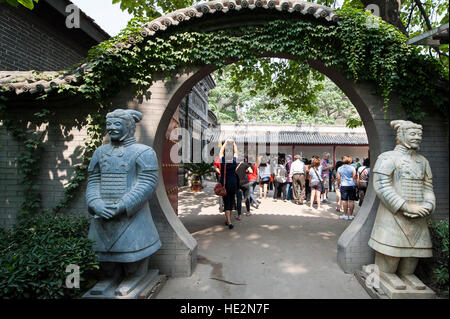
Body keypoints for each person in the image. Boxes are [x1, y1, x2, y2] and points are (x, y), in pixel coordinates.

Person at [219, 139, 239, 229]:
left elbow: (220, 152)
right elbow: (236, 153)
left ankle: (229, 221)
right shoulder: (234, 162)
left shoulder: (223, 161)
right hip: (233, 184)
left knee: (226, 202)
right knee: (231, 202)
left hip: (225, 184)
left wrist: (225, 143)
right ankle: (228, 220)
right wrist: (234, 144)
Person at [337, 156, 357, 220]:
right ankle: (351, 215)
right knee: (351, 201)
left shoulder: (340, 168)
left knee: (344, 201)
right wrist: (355, 184)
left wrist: (338, 184)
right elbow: (354, 177)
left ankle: (345, 215)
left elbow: (338, 178)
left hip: (343, 185)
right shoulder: (352, 168)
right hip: (351, 185)